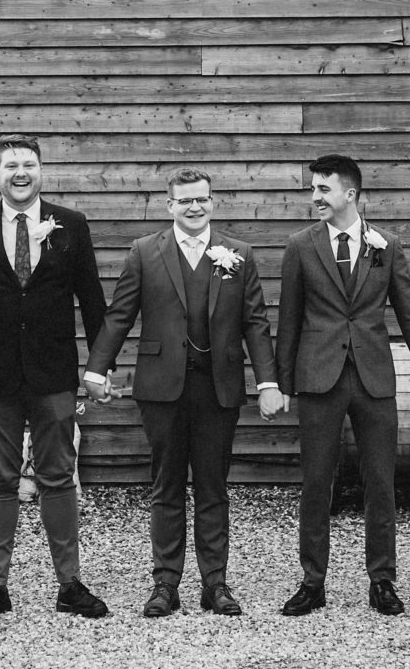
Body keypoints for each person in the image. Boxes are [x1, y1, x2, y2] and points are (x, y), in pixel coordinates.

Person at [82, 167, 287, 618]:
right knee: (166, 486)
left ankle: (215, 584)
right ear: (169, 205)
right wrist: (97, 368)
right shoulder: (144, 252)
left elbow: (255, 321)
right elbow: (119, 316)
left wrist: (268, 382)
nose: (195, 207)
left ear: (212, 201)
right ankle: (165, 583)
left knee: (213, 487)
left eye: (202, 199)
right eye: (185, 200)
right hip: (161, 387)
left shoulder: (239, 253)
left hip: (218, 386)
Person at [0, 135, 110, 621]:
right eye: (11, 165)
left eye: (29, 164)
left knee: (58, 474)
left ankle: (70, 583)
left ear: (42, 170)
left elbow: (93, 299)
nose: (21, 173)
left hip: (53, 370)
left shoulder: (72, 226)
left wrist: (100, 366)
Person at [275, 153, 410, 617]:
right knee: (315, 482)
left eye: (323, 189)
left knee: (381, 482)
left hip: (373, 377)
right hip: (318, 376)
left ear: (350, 194)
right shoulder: (300, 246)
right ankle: (312, 582)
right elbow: (288, 319)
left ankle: (382, 581)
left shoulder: (385, 244)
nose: (315, 197)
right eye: (313, 189)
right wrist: (281, 382)